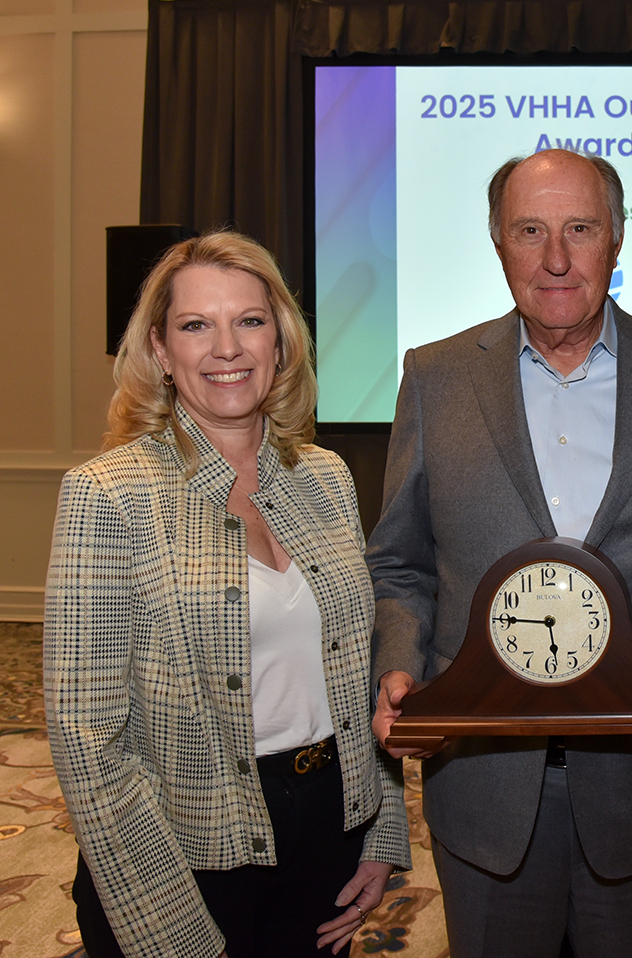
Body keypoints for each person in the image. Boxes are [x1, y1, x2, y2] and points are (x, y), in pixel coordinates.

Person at [367, 148, 632, 958]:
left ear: (616, 239)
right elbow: (401, 564)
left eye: (580, 229)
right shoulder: (435, 377)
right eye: (530, 231)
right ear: (498, 243)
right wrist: (400, 663)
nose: (555, 258)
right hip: (484, 790)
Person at [44, 232, 410, 958]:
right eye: (195, 325)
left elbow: (361, 674)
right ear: (159, 350)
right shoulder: (108, 494)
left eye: (249, 320)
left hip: (330, 827)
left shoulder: (326, 477)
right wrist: (169, 928)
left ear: (280, 340)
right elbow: (87, 739)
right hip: (178, 847)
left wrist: (381, 830)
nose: (227, 348)